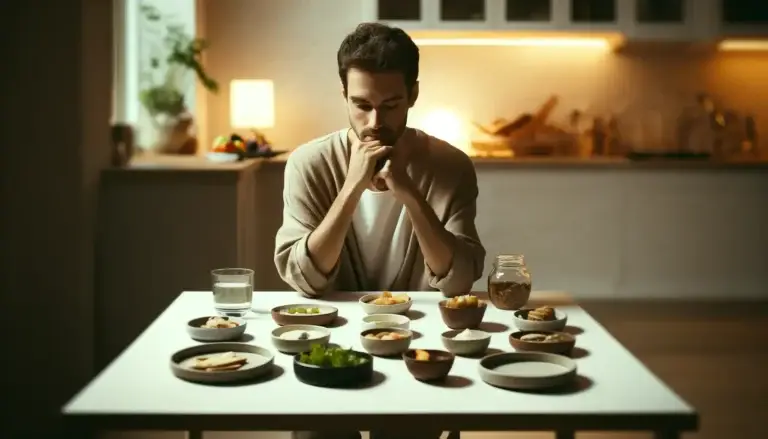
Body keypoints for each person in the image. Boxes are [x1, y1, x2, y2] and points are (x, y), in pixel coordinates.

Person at [274, 22, 485, 439]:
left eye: (390, 105)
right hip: (332, 342)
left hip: (419, 345)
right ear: (344, 96)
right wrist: (352, 185)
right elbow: (302, 278)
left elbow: (458, 281)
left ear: (413, 95)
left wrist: (408, 193)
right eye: (361, 105)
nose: (374, 121)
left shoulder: (451, 166)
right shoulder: (307, 163)